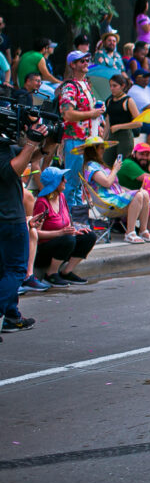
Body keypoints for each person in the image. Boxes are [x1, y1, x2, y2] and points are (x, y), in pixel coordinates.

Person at [0, 117, 47, 336]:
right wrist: (30, 143)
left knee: (4, 272)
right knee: (16, 270)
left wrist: (47, 142)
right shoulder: (2, 151)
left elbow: (30, 157)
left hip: (10, 218)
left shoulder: (6, 146)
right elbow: (13, 169)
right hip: (8, 220)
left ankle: (11, 316)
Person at [78, 137, 150, 243]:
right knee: (139, 195)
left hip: (116, 197)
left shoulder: (100, 165)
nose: (104, 150)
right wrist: (115, 169)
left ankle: (143, 230)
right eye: (101, 148)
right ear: (93, 150)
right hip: (107, 202)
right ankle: (130, 232)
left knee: (144, 193)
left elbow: (116, 186)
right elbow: (107, 183)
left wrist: (130, 191)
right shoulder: (91, 166)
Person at [32, 167, 97, 285]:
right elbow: (35, 233)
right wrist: (60, 233)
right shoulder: (42, 203)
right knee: (68, 239)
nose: (65, 181)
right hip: (44, 249)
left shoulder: (61, 197)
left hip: (63, 243)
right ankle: (51, 274)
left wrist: (75, 230)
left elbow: (68, 223)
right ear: (54, 182)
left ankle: (67, 272)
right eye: (62, 179)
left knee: (89, 236)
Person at [58, 50, 103, 208]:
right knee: (71, 184)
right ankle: (69, 222)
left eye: (87, 60)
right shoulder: (69, 86)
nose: (86, 63)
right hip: (74, 140)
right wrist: (92, 113)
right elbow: (68, 114)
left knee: (79, 185)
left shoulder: (85, 85)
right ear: (73, 64)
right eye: (81, 61)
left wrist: (98, 113)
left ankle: (78, 222)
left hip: (87, 140)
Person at [103, 74, 142, 162]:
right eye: (111, 86)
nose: (112, 88)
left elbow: (139, 123)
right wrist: (103, 139)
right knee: (105, 162)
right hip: (112, 136)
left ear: (122, 86)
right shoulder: (109, 101)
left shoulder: (128, 101)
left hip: (124, 137)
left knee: (122, 164)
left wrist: (119, 126)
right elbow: (108, 122)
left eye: (115, 86)